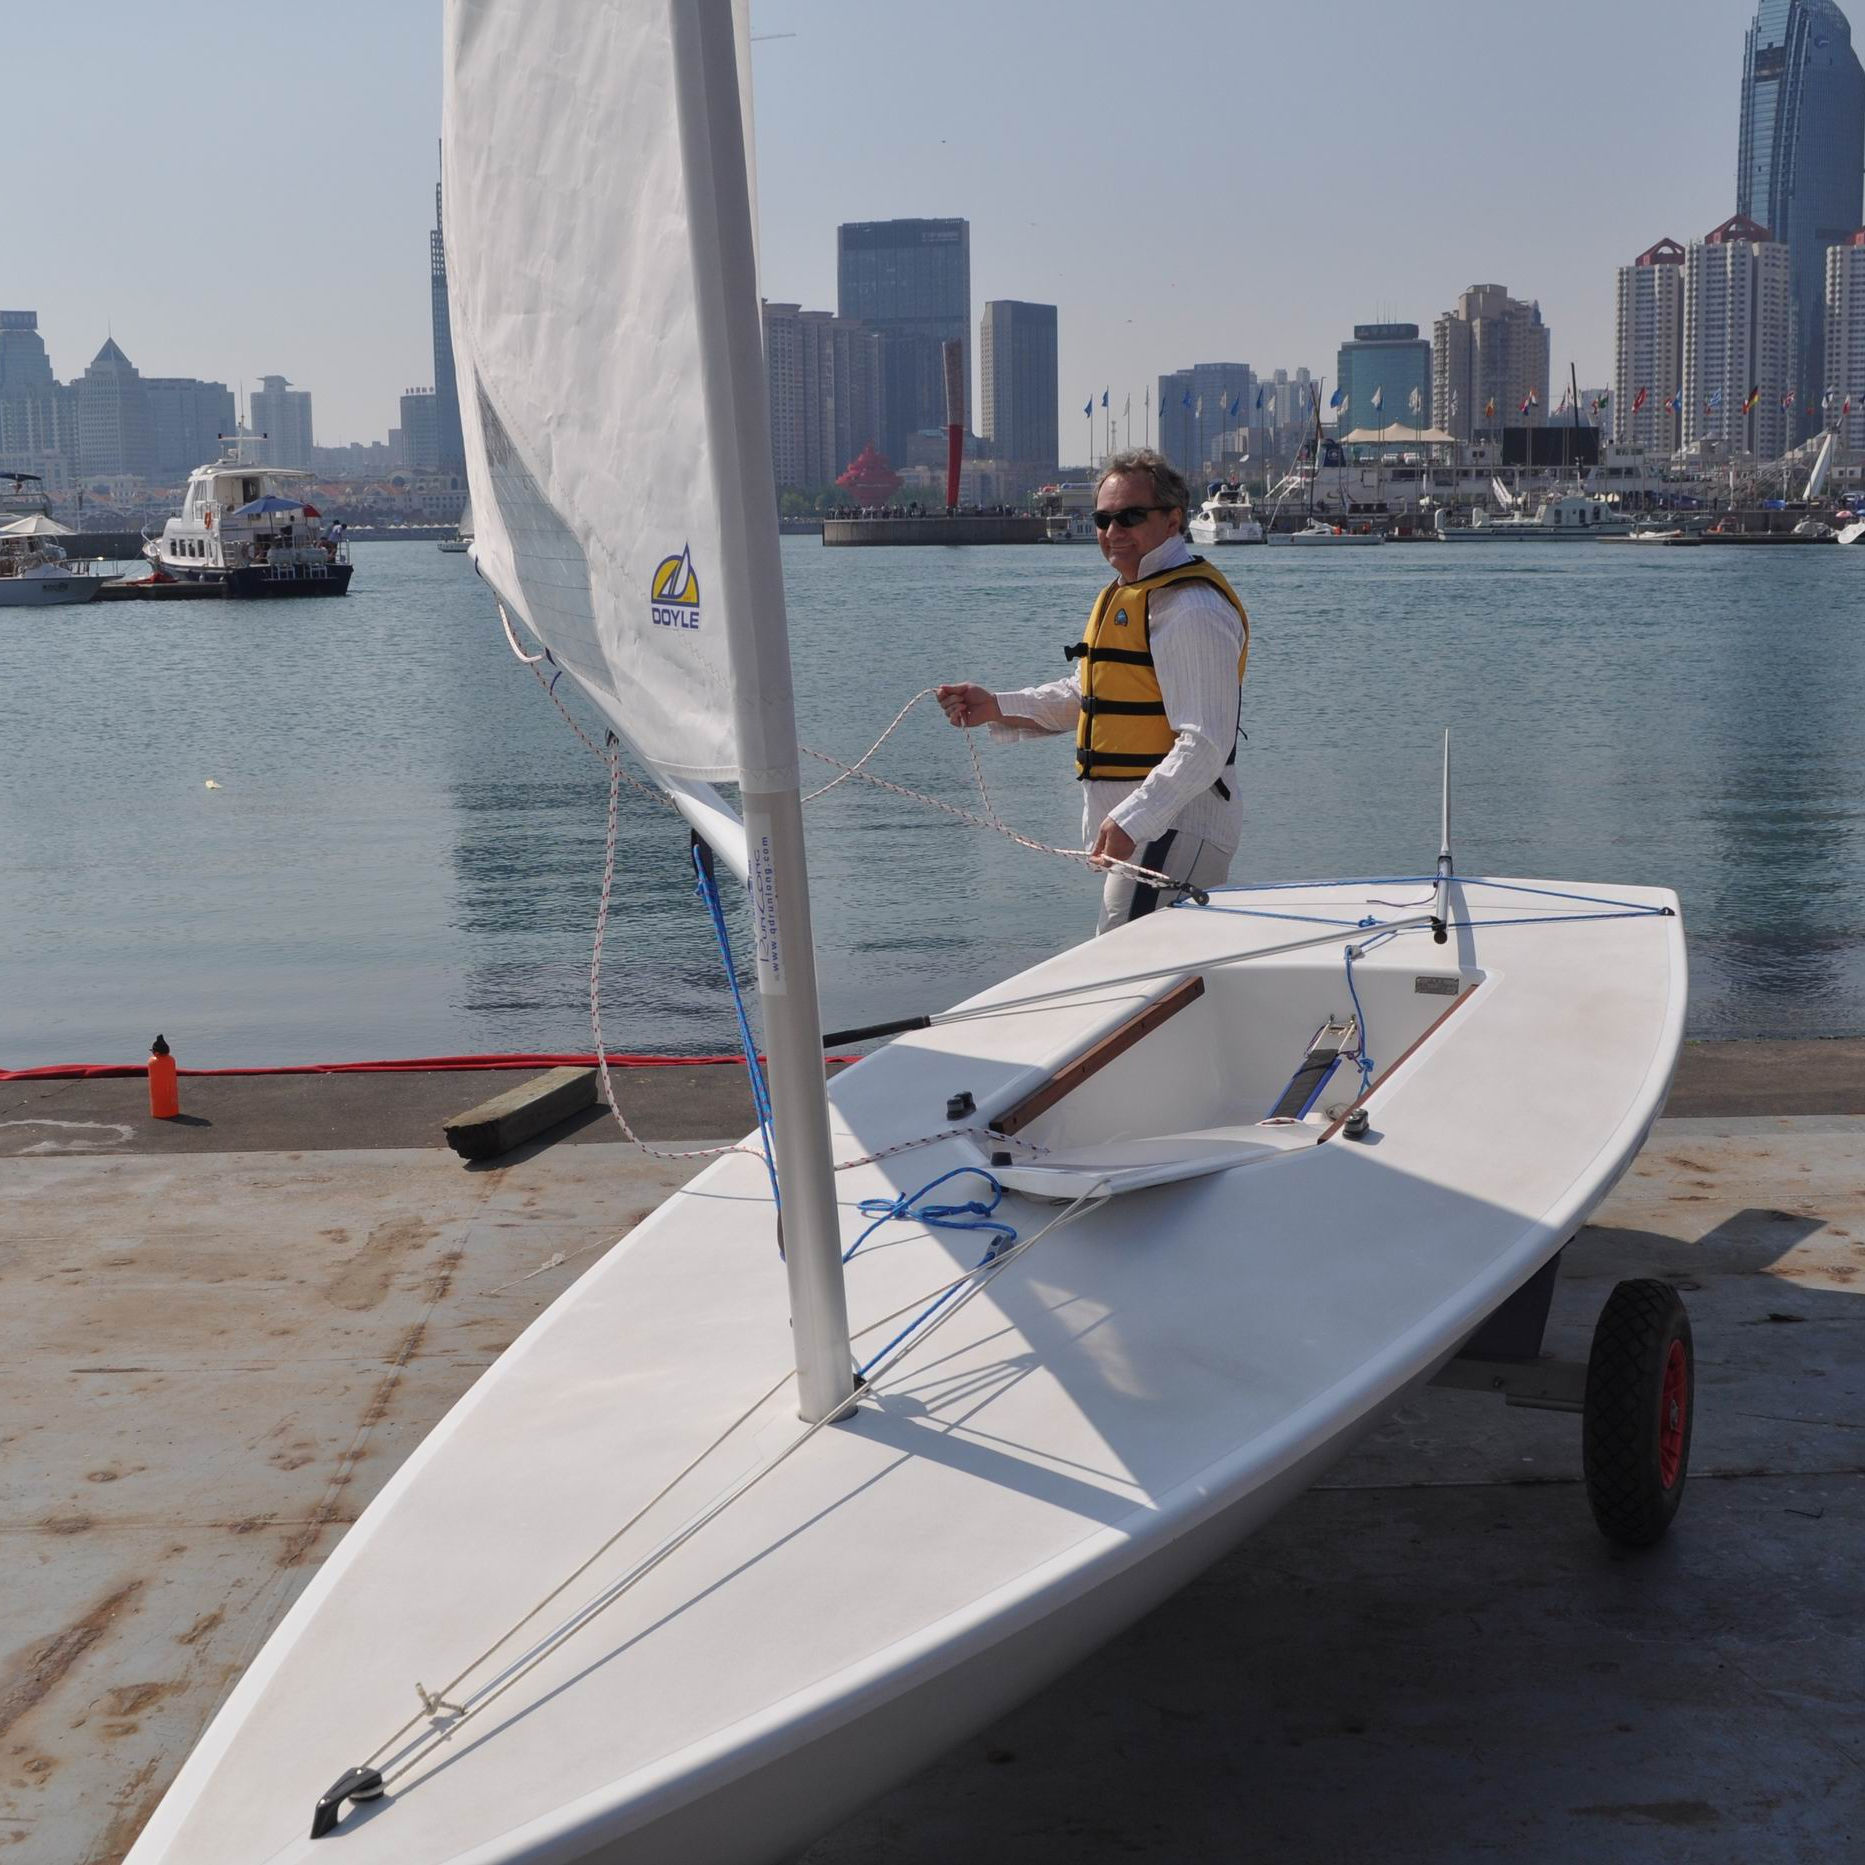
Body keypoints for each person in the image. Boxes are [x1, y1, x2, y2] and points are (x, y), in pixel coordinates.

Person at [936, 449, 1248, 935]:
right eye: (1103, 519)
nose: (1112, 531)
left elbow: (1206, 743)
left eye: (1130, 517)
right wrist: (996, 706)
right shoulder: (1132, 594)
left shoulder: (1192, 610)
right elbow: (1085, 695)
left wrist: (1133, 819)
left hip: (1177, 828)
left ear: (1172, 521)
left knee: (1122, 961)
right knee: (1151, 964)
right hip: (1151, 831)